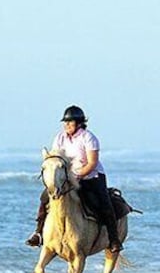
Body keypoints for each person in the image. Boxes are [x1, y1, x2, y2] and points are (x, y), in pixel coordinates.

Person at [26, 105, 122, 252]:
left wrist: (77, 176)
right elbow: (56, 158)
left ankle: (114, 240)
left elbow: (92, 163)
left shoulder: (88, 137)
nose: (67, 125)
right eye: (65, 122)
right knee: (45, 197)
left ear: (79, 123)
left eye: (70, 122)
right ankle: (38, 233)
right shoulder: (60, 137)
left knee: (104, 203)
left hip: (91, 176)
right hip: (67, 178)